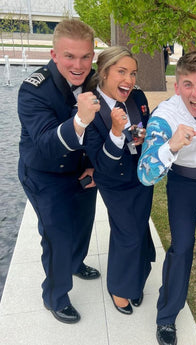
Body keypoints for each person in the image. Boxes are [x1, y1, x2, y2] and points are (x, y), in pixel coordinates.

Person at [138, 52, 196, 345]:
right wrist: (171, 144)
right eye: (188, 85)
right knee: (180, 249)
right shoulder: (165, 116)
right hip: (183, 186)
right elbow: (146, 174)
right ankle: (166, 317)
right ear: (177, 86)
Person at [17, 19, 101, 324]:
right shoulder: (32, 90)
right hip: (44, 174)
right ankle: (55, 296)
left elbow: (102, 130)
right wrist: (79, 120)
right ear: (54, 55)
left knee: (83, 225)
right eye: (69, 56)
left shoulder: (95, 80)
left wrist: (93, 164)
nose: (78, 65)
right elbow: (46, 143)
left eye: (85, 56)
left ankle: (75, 263)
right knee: (57, 237)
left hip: (82, 170)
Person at [84, 46, 155, 315]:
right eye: (122, 72)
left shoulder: (137, 97)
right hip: (113, 182)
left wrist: (144, 135)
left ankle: (136, 277)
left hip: (141, 177)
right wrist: (115, 132)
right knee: (128, 234)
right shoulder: (90, 105)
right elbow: (101, 164)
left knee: (139, 228)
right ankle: (119, 287)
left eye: (133, 73)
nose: (130, 80)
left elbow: (143, 131)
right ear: (103, 73)